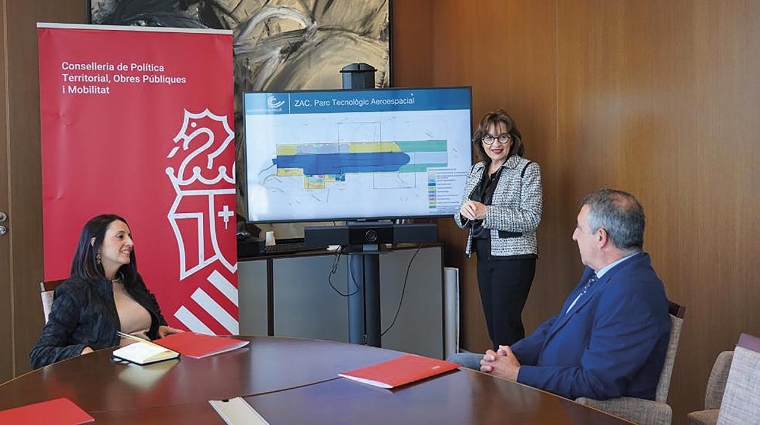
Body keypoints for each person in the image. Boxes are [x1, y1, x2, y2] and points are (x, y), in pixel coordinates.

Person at [449, 189, 671, 401]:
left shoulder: (633, 294)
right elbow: (558, 324)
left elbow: (596, 382)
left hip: (571, 403)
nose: (574, 236)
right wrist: (511, 354)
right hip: (544, 377)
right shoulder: (602, 271)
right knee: (457, 363)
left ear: (601, 237)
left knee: (457, 375)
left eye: (579, 228)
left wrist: (518, 375)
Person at [30, 214, 182, 369]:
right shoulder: (74, 291)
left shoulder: (131, 281)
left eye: (129, 236)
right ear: (96, 244)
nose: (130, 243)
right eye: (120, 236)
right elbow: (40, 354)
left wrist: (159, 327)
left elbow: (152, 311)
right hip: (107, 376)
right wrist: (79, 351)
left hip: (151, 366)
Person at [455, 109, 542, 349]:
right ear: (481, 141)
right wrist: (464, 213)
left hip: (514, 259)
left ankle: (513, 380)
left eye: (503, 137)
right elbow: (461, 212)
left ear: (512, 139)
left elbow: (531, 218)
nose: (496, 143)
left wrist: (487, 213)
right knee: (494, 324)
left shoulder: (527, 169)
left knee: (506, 325)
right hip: (484, 256)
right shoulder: (476, 170)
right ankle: (506, 376)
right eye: (489, 138)